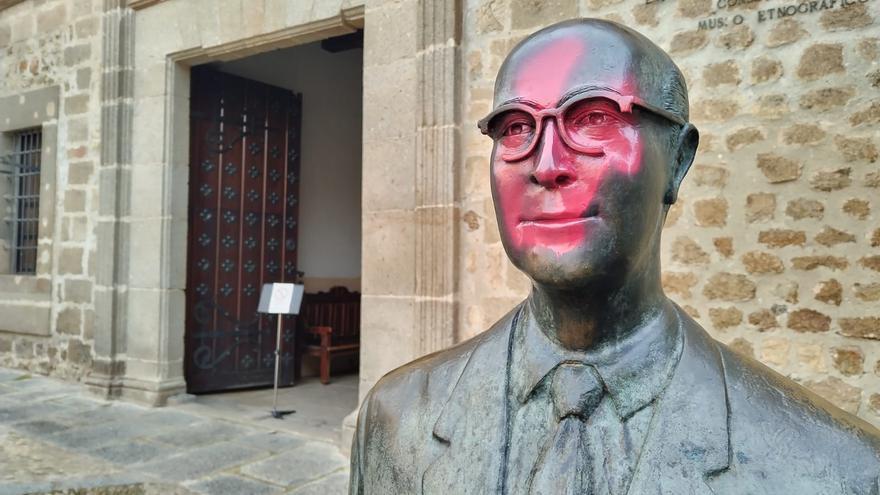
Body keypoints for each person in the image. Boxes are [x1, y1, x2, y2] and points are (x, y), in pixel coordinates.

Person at [349, 18, 880, 494]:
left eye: (593, 118)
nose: (547, 164)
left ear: (678, 159)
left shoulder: (840, 467)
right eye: (515, 127)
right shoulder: (395, 416)